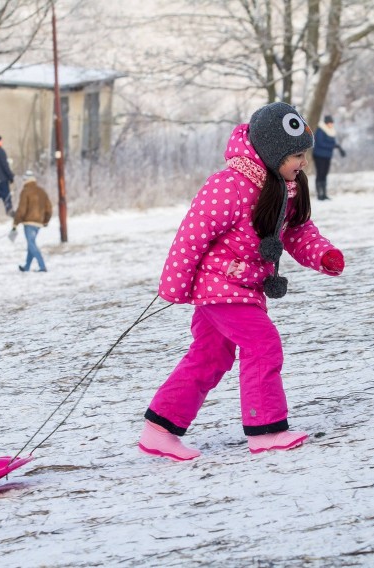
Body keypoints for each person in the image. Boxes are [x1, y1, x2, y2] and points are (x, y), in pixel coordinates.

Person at [138, 102, 345, 461]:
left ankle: (159, 430)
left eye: (303, 154)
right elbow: (192, 236)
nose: (302, 162)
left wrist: (322, 255)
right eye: (295, 155)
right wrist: (175, 285)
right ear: (271, 152)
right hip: (221, 286)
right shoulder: (228, 186)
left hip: (245, 287)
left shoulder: (285, 188)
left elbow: (297, 233)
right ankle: (266, 430)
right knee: (263, 345)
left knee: (209, 356)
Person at [11, 172, 53, 272]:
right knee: (31, 244)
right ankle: (27, 267)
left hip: (29, 223)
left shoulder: (25, 191)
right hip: (38, 224)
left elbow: (21, 209)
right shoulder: (42, 191)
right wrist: (46, 220)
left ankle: (42, 266)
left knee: (31, 244)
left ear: (26, 180)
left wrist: (15, 223)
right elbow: (49, 208)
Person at [311, 114, 345, 201]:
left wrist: (339, 148)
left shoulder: (331, 131)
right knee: (320, 173)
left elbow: (333, 143)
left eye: (332, 122)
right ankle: (319, 195)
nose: (331, 124)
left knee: (325, 174)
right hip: (319, 155)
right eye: (330, 122)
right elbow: (320, 143)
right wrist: (332, 145)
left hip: (327, 156)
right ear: (326, 123)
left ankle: (324, 194)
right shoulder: (321, 130)